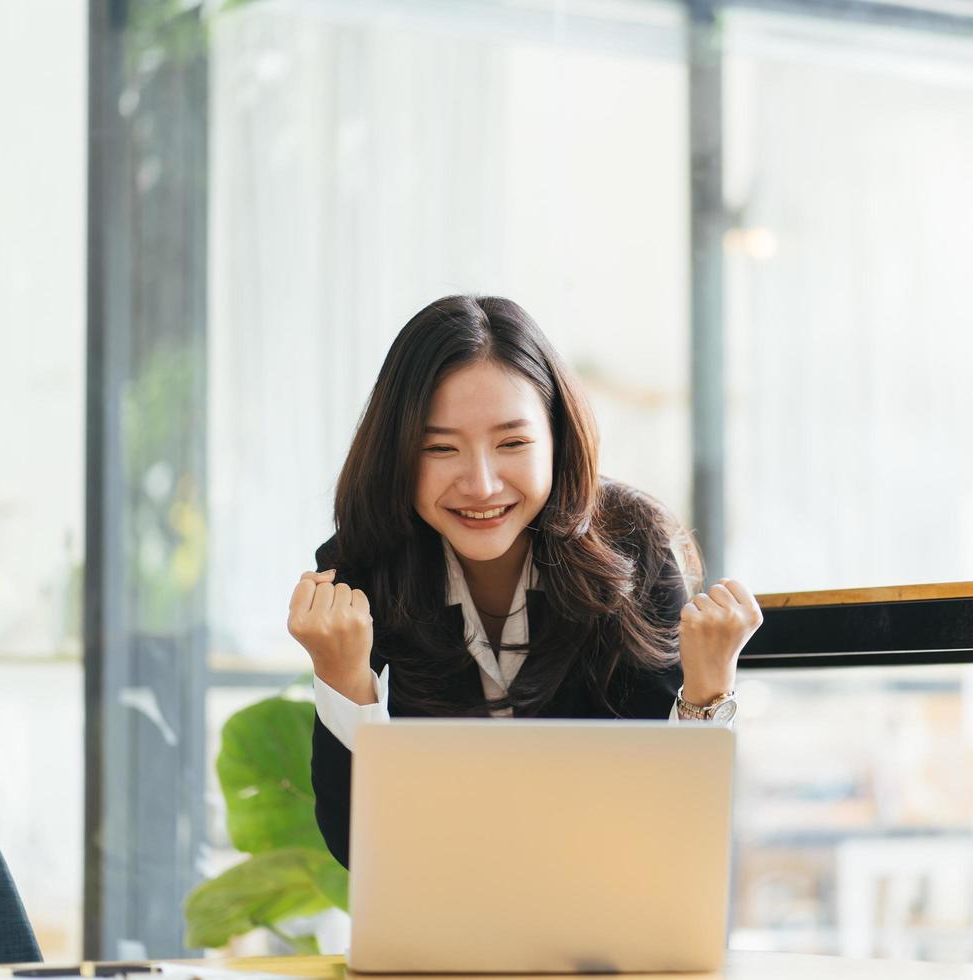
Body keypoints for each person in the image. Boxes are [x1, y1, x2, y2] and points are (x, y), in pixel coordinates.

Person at [287, 295, 762, 868]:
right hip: (446, 931)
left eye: (512, 443)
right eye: (440, 448)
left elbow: (675, 829)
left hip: (611, 926)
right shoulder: (365, 569)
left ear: (559, 439)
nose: (481, 484)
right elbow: (359, 852)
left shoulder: (633, 550)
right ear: (398, 456)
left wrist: (708, 692)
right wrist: (342, 679)